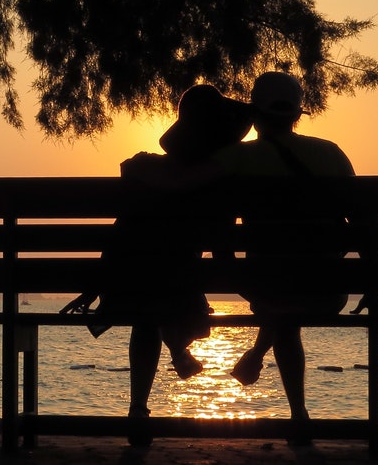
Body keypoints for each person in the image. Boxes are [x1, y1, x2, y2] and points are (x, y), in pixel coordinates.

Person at [126, 71, 356, 438]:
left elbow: (181, 183)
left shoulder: (238, 157)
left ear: (257, 114)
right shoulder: (331, 152)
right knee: (291, 293)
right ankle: (296, 411)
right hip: (327, 291)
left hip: (266, 286)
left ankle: (146, 403)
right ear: (298, 113)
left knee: (278, 288)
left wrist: (139, 165)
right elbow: (359, 225)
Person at [61, 84, 254, 445]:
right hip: (177, 288)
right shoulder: (220, 185)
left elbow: (128, 218)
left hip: (124, 283)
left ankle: (138, 406)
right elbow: (222, 252)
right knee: (170, 286)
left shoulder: (141, 168)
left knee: (148, 304)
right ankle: (179, 349)